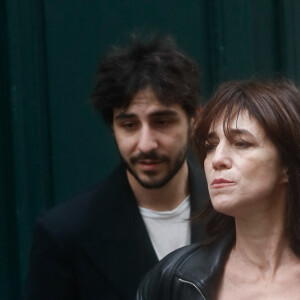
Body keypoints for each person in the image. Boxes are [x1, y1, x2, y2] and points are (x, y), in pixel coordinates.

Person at [25, 36, 208, 300]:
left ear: (194, 120)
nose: (145, 144)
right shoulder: (64, 234)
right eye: (129, 125)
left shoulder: (232, 214)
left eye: (162, 122)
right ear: (113, 127)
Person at [137, 79, 300, 300]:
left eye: (241, 143)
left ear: (287, 167)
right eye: (211, 146)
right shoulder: (174, 279)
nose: (217, 160)